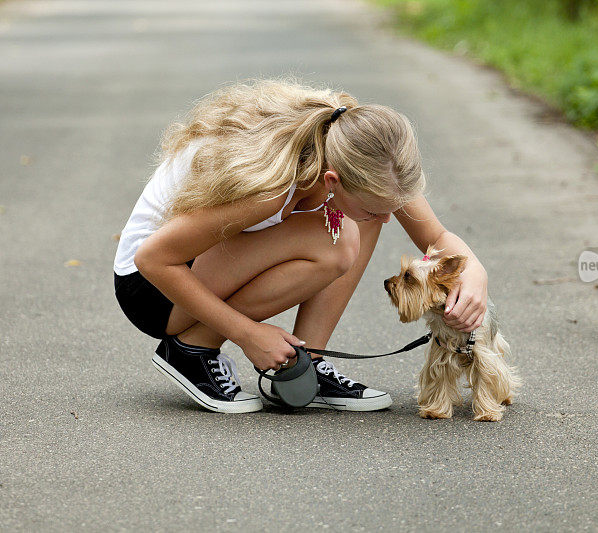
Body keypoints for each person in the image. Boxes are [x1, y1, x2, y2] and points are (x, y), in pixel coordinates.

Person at [113, 76, 489, 413]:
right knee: (340, 236)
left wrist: (476, 274)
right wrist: (248, 334)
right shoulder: (270, 188)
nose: (389, 218)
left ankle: (308, 359)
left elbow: (437, 239)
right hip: (153, 289)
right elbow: (153, 259)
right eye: (378, 208)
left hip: (194, 266)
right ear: (331, 179)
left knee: (356, 223)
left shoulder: (362, 151)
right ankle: (192, 350)